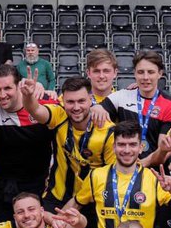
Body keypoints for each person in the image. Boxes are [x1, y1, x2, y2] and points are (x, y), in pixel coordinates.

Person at [71, 119, 171, 228]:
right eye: (121, 144)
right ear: (114, 147)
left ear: (140, 147)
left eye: (132, 144)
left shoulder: (153, 178)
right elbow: (76, 203)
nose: (127, 150)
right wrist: (56, 221)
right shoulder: (96, 176)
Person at [0, 65, 55, 220]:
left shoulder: (43, 102)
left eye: (7, 88)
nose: (2, 95)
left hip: (40, 187)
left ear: (19, 85)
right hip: (4, 191)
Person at [23, 76, 114, 212]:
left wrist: (76, 203)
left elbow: (111, 175)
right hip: (57, 196)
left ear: (91, 99)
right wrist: (28, 96)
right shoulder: (59, 115)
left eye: (81, 101)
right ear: (63, 101)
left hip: (93, 200)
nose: (76, 107)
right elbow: (35, 110)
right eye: (70, 102)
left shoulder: (108, 131)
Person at [94, 51, 171, 166]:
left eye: (151, 72)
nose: (145, 77)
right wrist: (97, 107)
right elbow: (95, 109)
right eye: (140, 72)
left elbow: (163, 149)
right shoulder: (121, 96)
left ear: (160, 74)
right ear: (134, 73)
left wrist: (141, 164)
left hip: (154, 171)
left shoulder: (170, 105)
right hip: (123, 168)